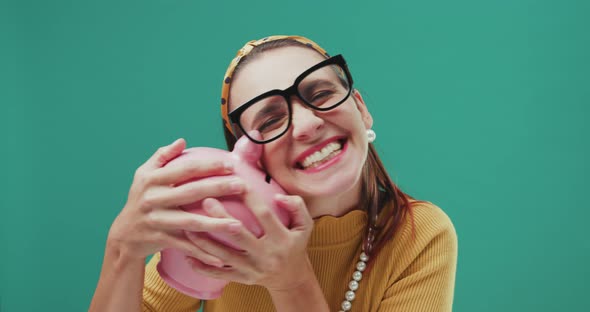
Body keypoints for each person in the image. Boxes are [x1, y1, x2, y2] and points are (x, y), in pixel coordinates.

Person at [89, 35, 458, 312]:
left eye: (322, 92)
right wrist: (122, 248)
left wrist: (291, 280)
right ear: (248, 155)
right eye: (270, 118)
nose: (307, 125)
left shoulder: (419, 234)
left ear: (360, 109)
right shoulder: (220, 227)